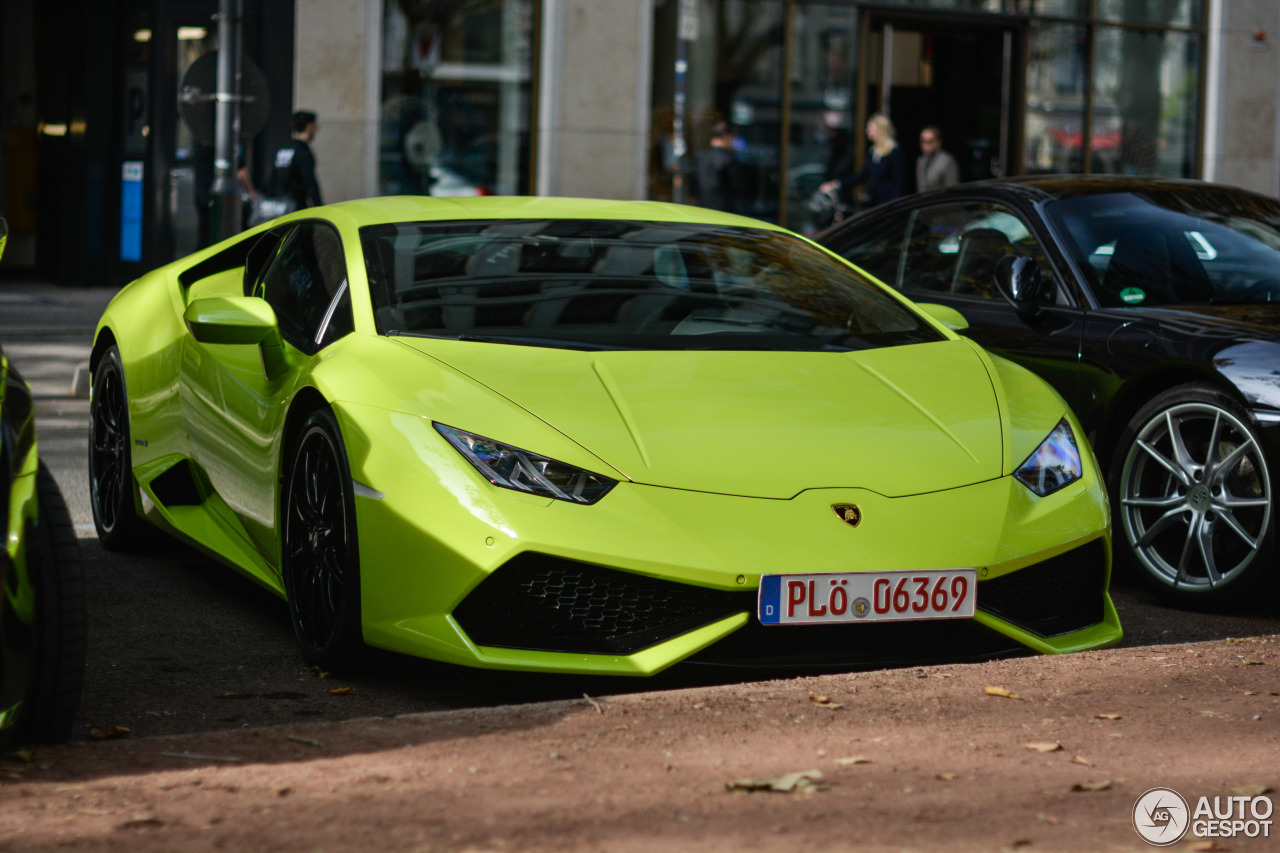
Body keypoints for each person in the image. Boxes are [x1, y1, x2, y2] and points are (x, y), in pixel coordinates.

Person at [819, 113, 905, 209]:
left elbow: (899, 183)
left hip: (887, 205)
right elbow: (863, 175)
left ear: (880, 130)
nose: (867, 131)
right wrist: (838, 184)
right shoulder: (874, 152)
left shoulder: (894, 153)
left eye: (870, 128)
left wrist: (893, 205)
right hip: (874, 204)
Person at [267, 110, 323, 210]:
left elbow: (273, 179)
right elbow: (310, 183)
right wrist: (319, 207)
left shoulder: (283, 149)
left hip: (277, 206)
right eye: (315, 127)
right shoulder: (303, 151)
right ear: (309, 126)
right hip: (294, 207)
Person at [694, 121, 744, 213]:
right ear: (727, 136)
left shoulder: (701, 158)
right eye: (733, 138)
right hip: (725, 213)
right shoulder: (728, 159)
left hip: (703, 212)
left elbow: (692, 187)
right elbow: (738, 188)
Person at [916, 125, 960, 192]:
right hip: (925, 201)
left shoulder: (947, 161)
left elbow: (952, 188)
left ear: (937, 143)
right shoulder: (921, 160)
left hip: (940, 200)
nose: (924, 145)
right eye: (922, 141)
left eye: (928, 141)